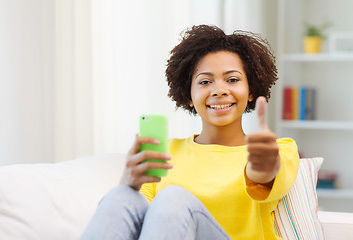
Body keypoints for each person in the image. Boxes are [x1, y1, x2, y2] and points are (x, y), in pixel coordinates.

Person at [80, 25, 299, 240]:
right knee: (119, 196)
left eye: (232, 79)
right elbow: (143, 222)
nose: (219, 90)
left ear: (250, 90)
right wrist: (129, 184)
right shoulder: (166, 152)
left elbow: (264, 176)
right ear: (188, 96)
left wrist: (262, 168)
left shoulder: (278, 150)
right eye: (205, 81)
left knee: (172, 197)